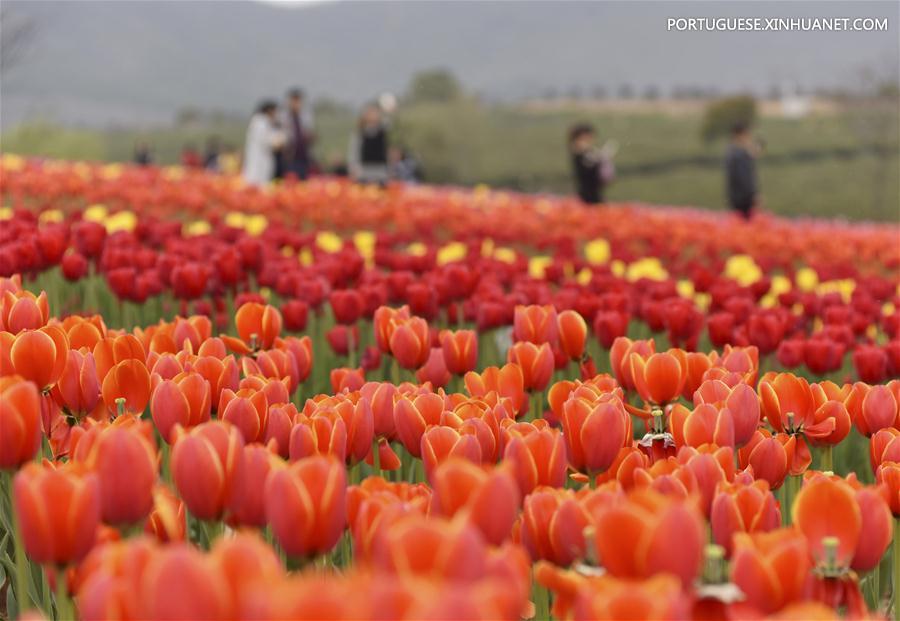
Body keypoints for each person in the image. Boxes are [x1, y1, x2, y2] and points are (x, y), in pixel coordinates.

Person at [242, 100, 286, 187]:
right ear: (270, 111)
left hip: (262, 162)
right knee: (258, 185)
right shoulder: (260, 122)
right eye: (276, 111)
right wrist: (281, 139)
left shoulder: (262, 122)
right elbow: (272, 142)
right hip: (259, 163)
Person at [568, 123, 615, 204]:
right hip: (588, 195)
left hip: (594, 192)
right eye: (585, 139)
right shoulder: (580, 155)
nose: (589, 142)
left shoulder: (587, 154)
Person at [348, 102, 390, 185]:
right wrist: (353, 169)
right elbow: (354, 153)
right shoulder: (360, 133)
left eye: (376, 113)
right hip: (364, 171)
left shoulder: (382, 131)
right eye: (372, 113)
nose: (375, 115)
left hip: (380, 171)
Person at [725, 122, 760, 219]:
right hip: (744, 200)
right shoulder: (739, 155)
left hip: (735, 198)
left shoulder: (730, 152)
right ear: (741, 135)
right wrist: (753, 195)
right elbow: (744, 178)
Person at [283, 88, 314, 180]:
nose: (296, 104)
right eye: (294, 101)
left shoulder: (306, 117)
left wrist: (310, 137)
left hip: (304, 156)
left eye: (298, 101)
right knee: (291, 179)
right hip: (290, 157)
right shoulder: (284, 117)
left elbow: (310, 133)